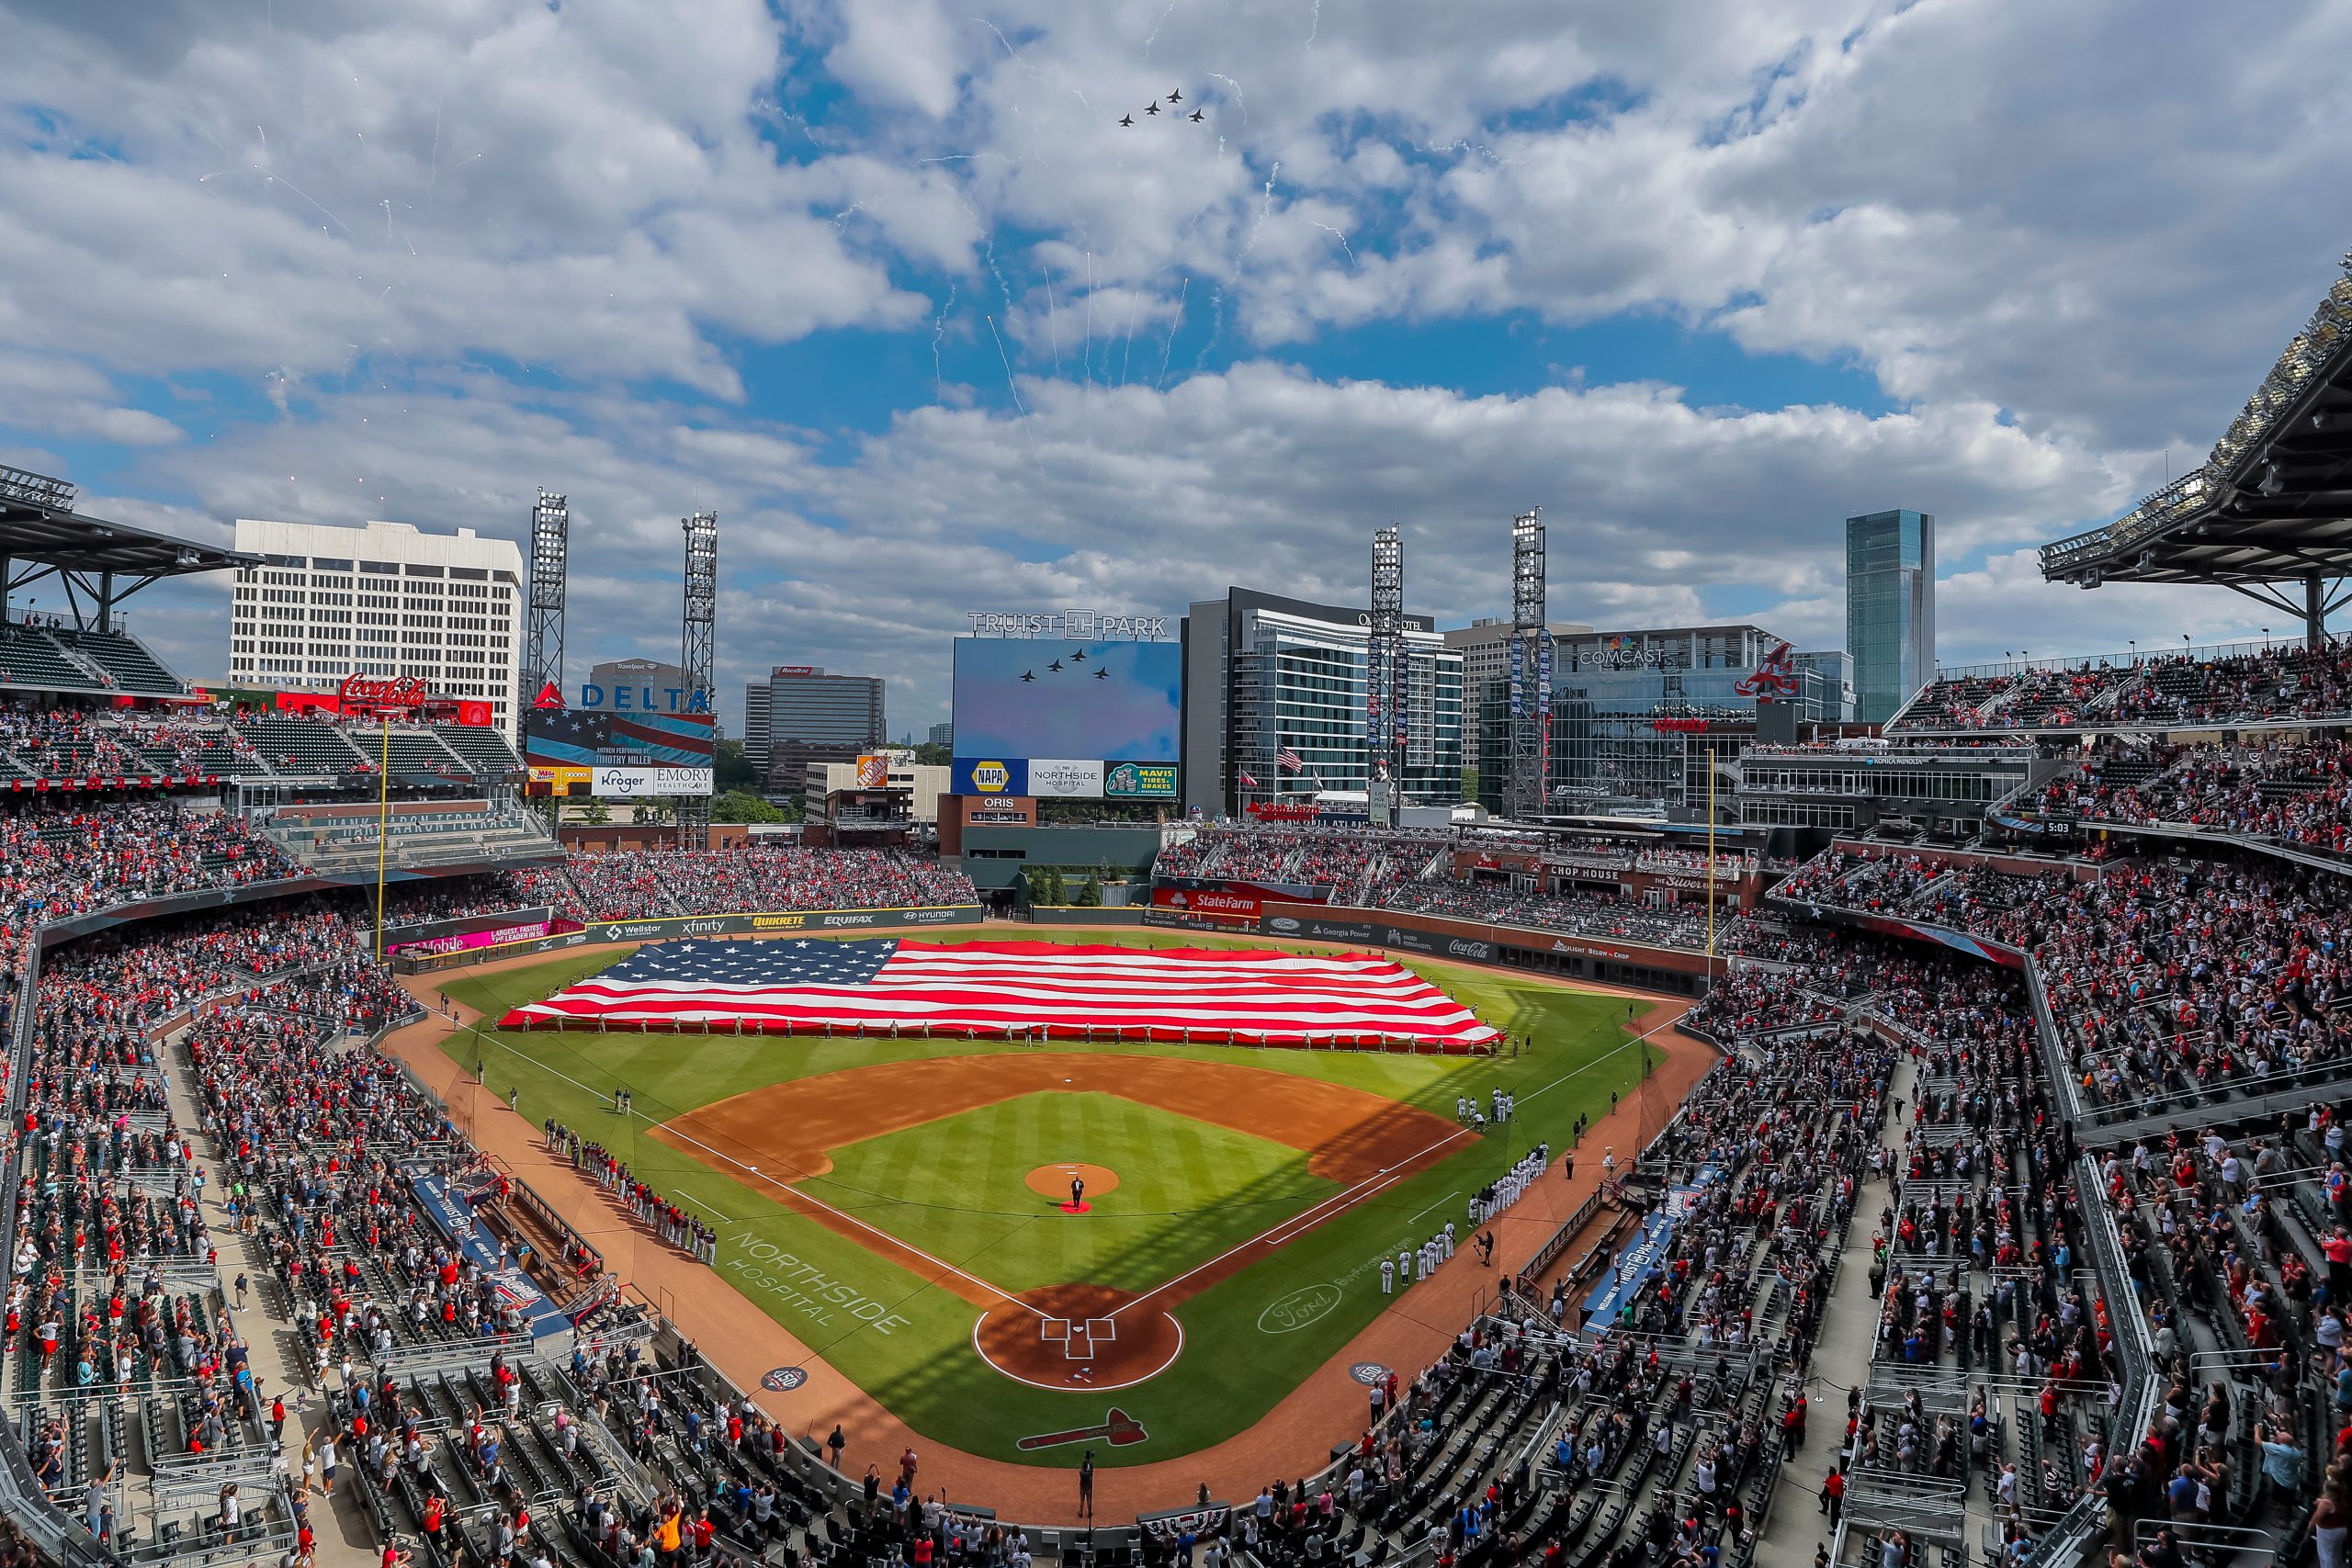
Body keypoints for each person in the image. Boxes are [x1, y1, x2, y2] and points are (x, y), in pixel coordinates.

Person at [1079, 1450, 1096, 1518]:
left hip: (1082, 1487)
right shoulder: (1089, 1473)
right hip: (1088, 1487)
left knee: (1082, 1500)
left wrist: (1085, 1463)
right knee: (1089, 1500)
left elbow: (1082, 1468)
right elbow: (1092, 1471)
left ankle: (1080, 1512)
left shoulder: (1081, 1472)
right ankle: (1089, 1513)